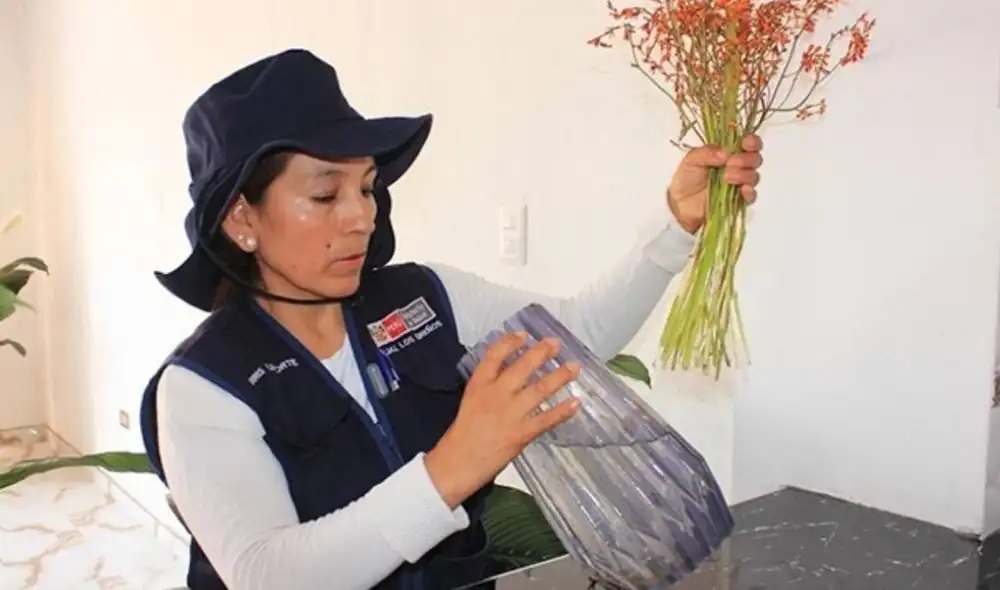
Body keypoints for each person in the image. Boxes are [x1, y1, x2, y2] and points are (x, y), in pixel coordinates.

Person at [138, 48, 764, 590]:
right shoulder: (201, 387)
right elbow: (267, 574)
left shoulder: (424, 299)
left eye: (366, 187)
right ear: (242, 220)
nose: (360, 216)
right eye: (325, 195)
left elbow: (575, 338)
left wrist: (675, 226)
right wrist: (457, 460)